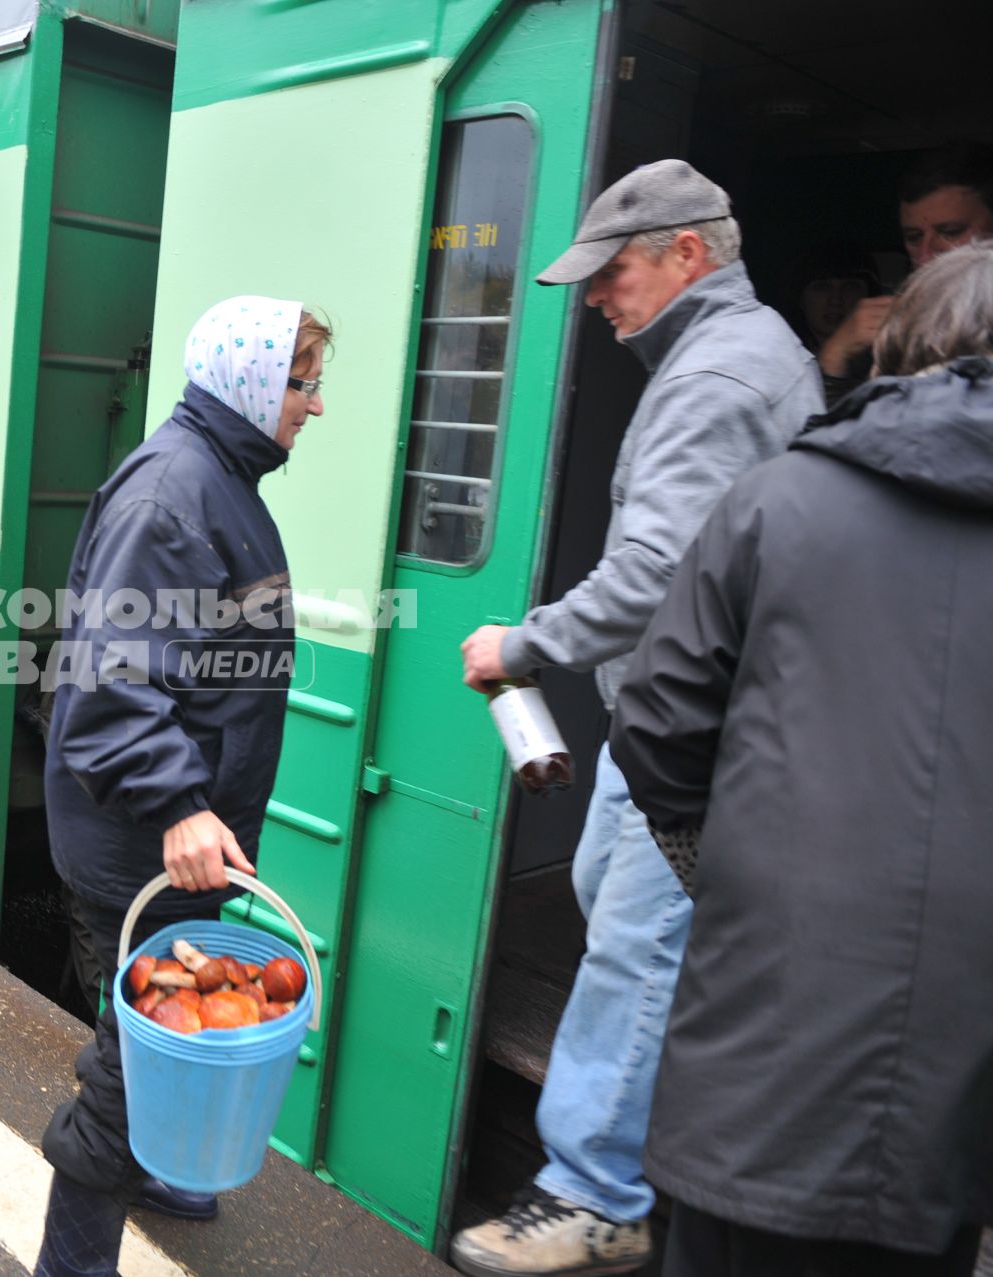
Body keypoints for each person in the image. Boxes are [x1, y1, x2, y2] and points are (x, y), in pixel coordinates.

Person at [452, 160, 823, 1277]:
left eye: (612, 273)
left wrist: (523, 644)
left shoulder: (715, 376)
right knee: (615, 908)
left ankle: (595, 1192)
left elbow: (659, 570)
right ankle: (648, 1133)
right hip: (667, 722)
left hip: (697, 734)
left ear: (688, 254)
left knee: (639, 946)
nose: (599, 298)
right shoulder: (732, 358)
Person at [609, 242, 993, 1277]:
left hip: (764, 1041)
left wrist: (718, 862)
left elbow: (654, 717)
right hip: (960, 1082)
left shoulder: (778, 499)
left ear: (900, 348)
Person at [34, 295, 330, 1277]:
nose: (314, 406)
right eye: (301, 382)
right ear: (250, 381)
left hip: (169, 836)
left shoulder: (220, 480)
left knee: (154, 1037)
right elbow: (110, 685)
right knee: (133, 1058)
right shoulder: (177, 494)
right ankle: (72, 1263)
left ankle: (153, 1171)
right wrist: (178, 803)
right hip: (138, 843)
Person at [815, 143, 993, 402]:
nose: (925, 255)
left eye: (951, 232)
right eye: (913, 237)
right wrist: (836, 356)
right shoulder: (894, 324)